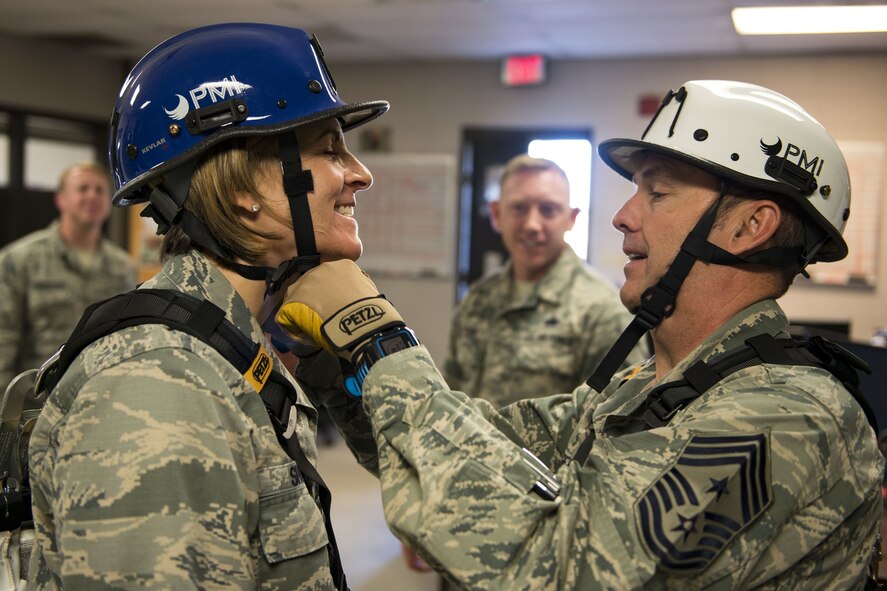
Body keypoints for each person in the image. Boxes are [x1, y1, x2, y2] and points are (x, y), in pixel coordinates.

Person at [277, 80, 884, 589]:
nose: (623, 215)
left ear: (751, 225)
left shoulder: (788, 415)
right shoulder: (653, 385)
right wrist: (338, 368)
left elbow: (560, 565)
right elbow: (488, 445)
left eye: (658, 191)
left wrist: (374, 334)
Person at [26, 23, 386, 589]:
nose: (360, 173)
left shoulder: (227, 345)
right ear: (243, 191)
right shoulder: (161, 386)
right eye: (328, 149)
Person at [444, 154, 647, 408]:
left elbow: (610, 423)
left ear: (571, 218)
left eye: (548, 210)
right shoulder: (478, 299)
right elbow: (451, 396)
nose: (531, 224)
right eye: (519, 208)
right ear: (497, 214)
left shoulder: (601, 311)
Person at [0, 162, 137, 391]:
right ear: (61, 199)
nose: (92, 196)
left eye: (100, 190)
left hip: (101, 396)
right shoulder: (19, 260)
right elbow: (4, 338)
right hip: (38, 403)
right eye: (83, 188)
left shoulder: (123, 267)